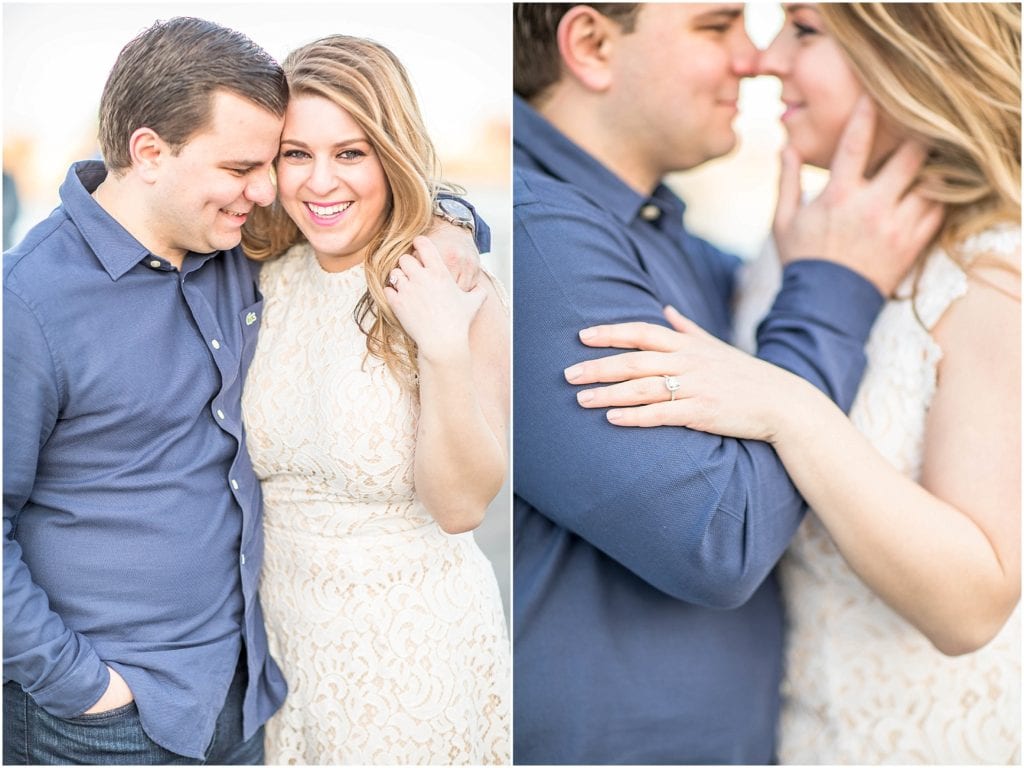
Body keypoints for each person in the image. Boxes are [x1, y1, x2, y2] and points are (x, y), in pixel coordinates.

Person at [3, 17, 484, 766]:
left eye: (269, 164)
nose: (266, 192)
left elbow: (367, 200)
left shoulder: (232, 246)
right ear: (149, 153)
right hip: (103, 720)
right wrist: (81, 686)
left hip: (253, 696)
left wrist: (452, 228)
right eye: (242, 169)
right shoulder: (26, 303)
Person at [568, 3, 1020, 763]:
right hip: (798, 734)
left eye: (803, 31)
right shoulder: (791, 250)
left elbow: (973, 608)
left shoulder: (995, 274)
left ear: (908, 49)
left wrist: (790, 408)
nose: (767, 60)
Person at [239, 35, 510, 764]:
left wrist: (445, 343)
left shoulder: (449, 278)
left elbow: (463, 508)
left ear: (390, 154)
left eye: (351, 153)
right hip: (281, 656)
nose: (319, 182)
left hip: (412, 657)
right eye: (296, 154)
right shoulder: (264, 275)